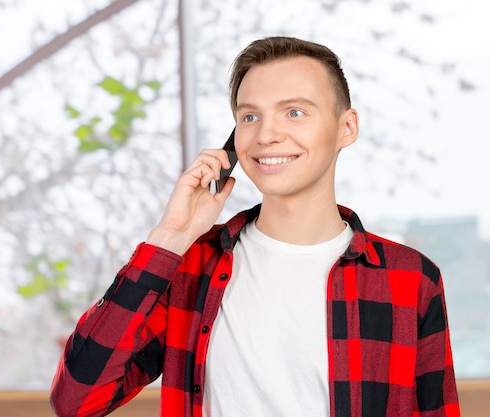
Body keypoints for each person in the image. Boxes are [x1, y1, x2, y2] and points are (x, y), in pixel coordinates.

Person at [50, 36, 460, 417]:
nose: (266, 134)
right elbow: (76, 400)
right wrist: (169, 238)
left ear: (346, 127)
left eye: (294, 112)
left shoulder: (411, 279)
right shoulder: (191, 266)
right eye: (250, 116)